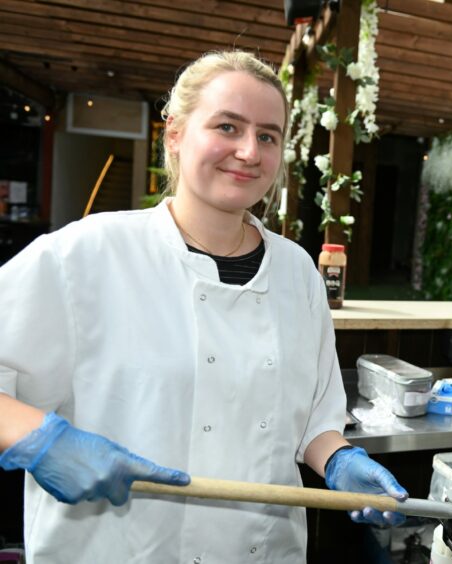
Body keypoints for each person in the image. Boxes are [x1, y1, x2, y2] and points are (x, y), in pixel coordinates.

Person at [0, 50, 407, 562]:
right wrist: (41, 439)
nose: (248, 151)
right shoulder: (85, 254)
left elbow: (311, 419)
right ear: (174, 134)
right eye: (227, 127)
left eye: (267, 136)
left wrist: (339, 458)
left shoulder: (297, 271)